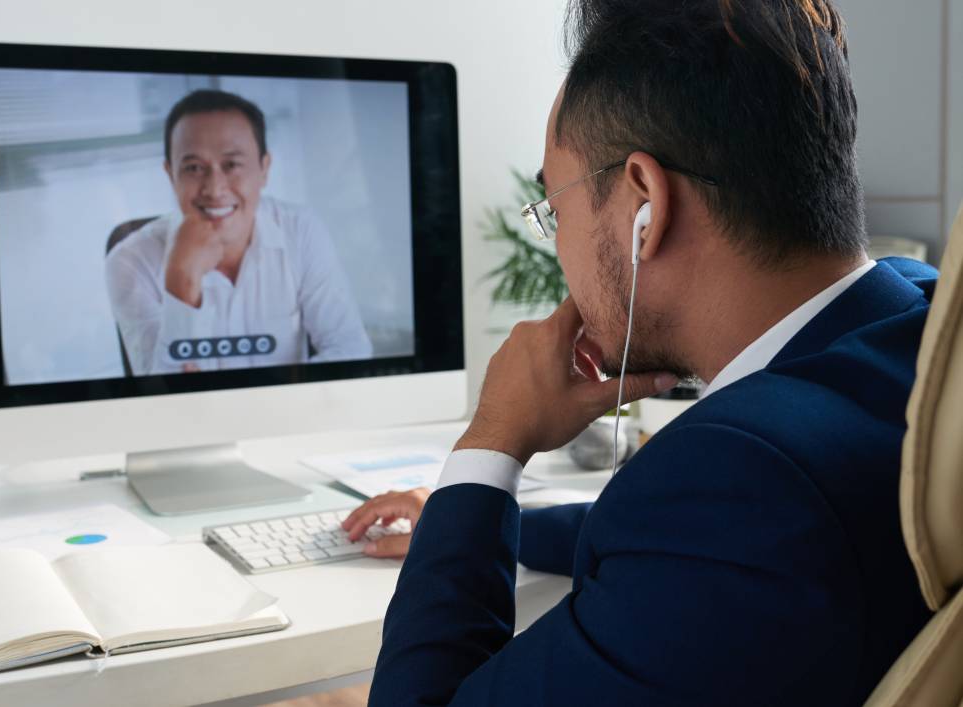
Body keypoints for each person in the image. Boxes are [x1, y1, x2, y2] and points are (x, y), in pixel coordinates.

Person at [344, 1, 937, 704]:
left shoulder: (737, 482)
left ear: (643, 204)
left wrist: (491, 442)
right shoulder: (921, 322)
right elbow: (686, 547)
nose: (557, 246)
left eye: (554, 210)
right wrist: (485, 527)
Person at [105, 89, 372, 375]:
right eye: (194, 168)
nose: (214, 189)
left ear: (264, 169)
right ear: (171, 175)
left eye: (232, 165)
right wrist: (181, 282)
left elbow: (350, 350)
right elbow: (159, 397)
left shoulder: (301, 230)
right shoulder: (130, 261)